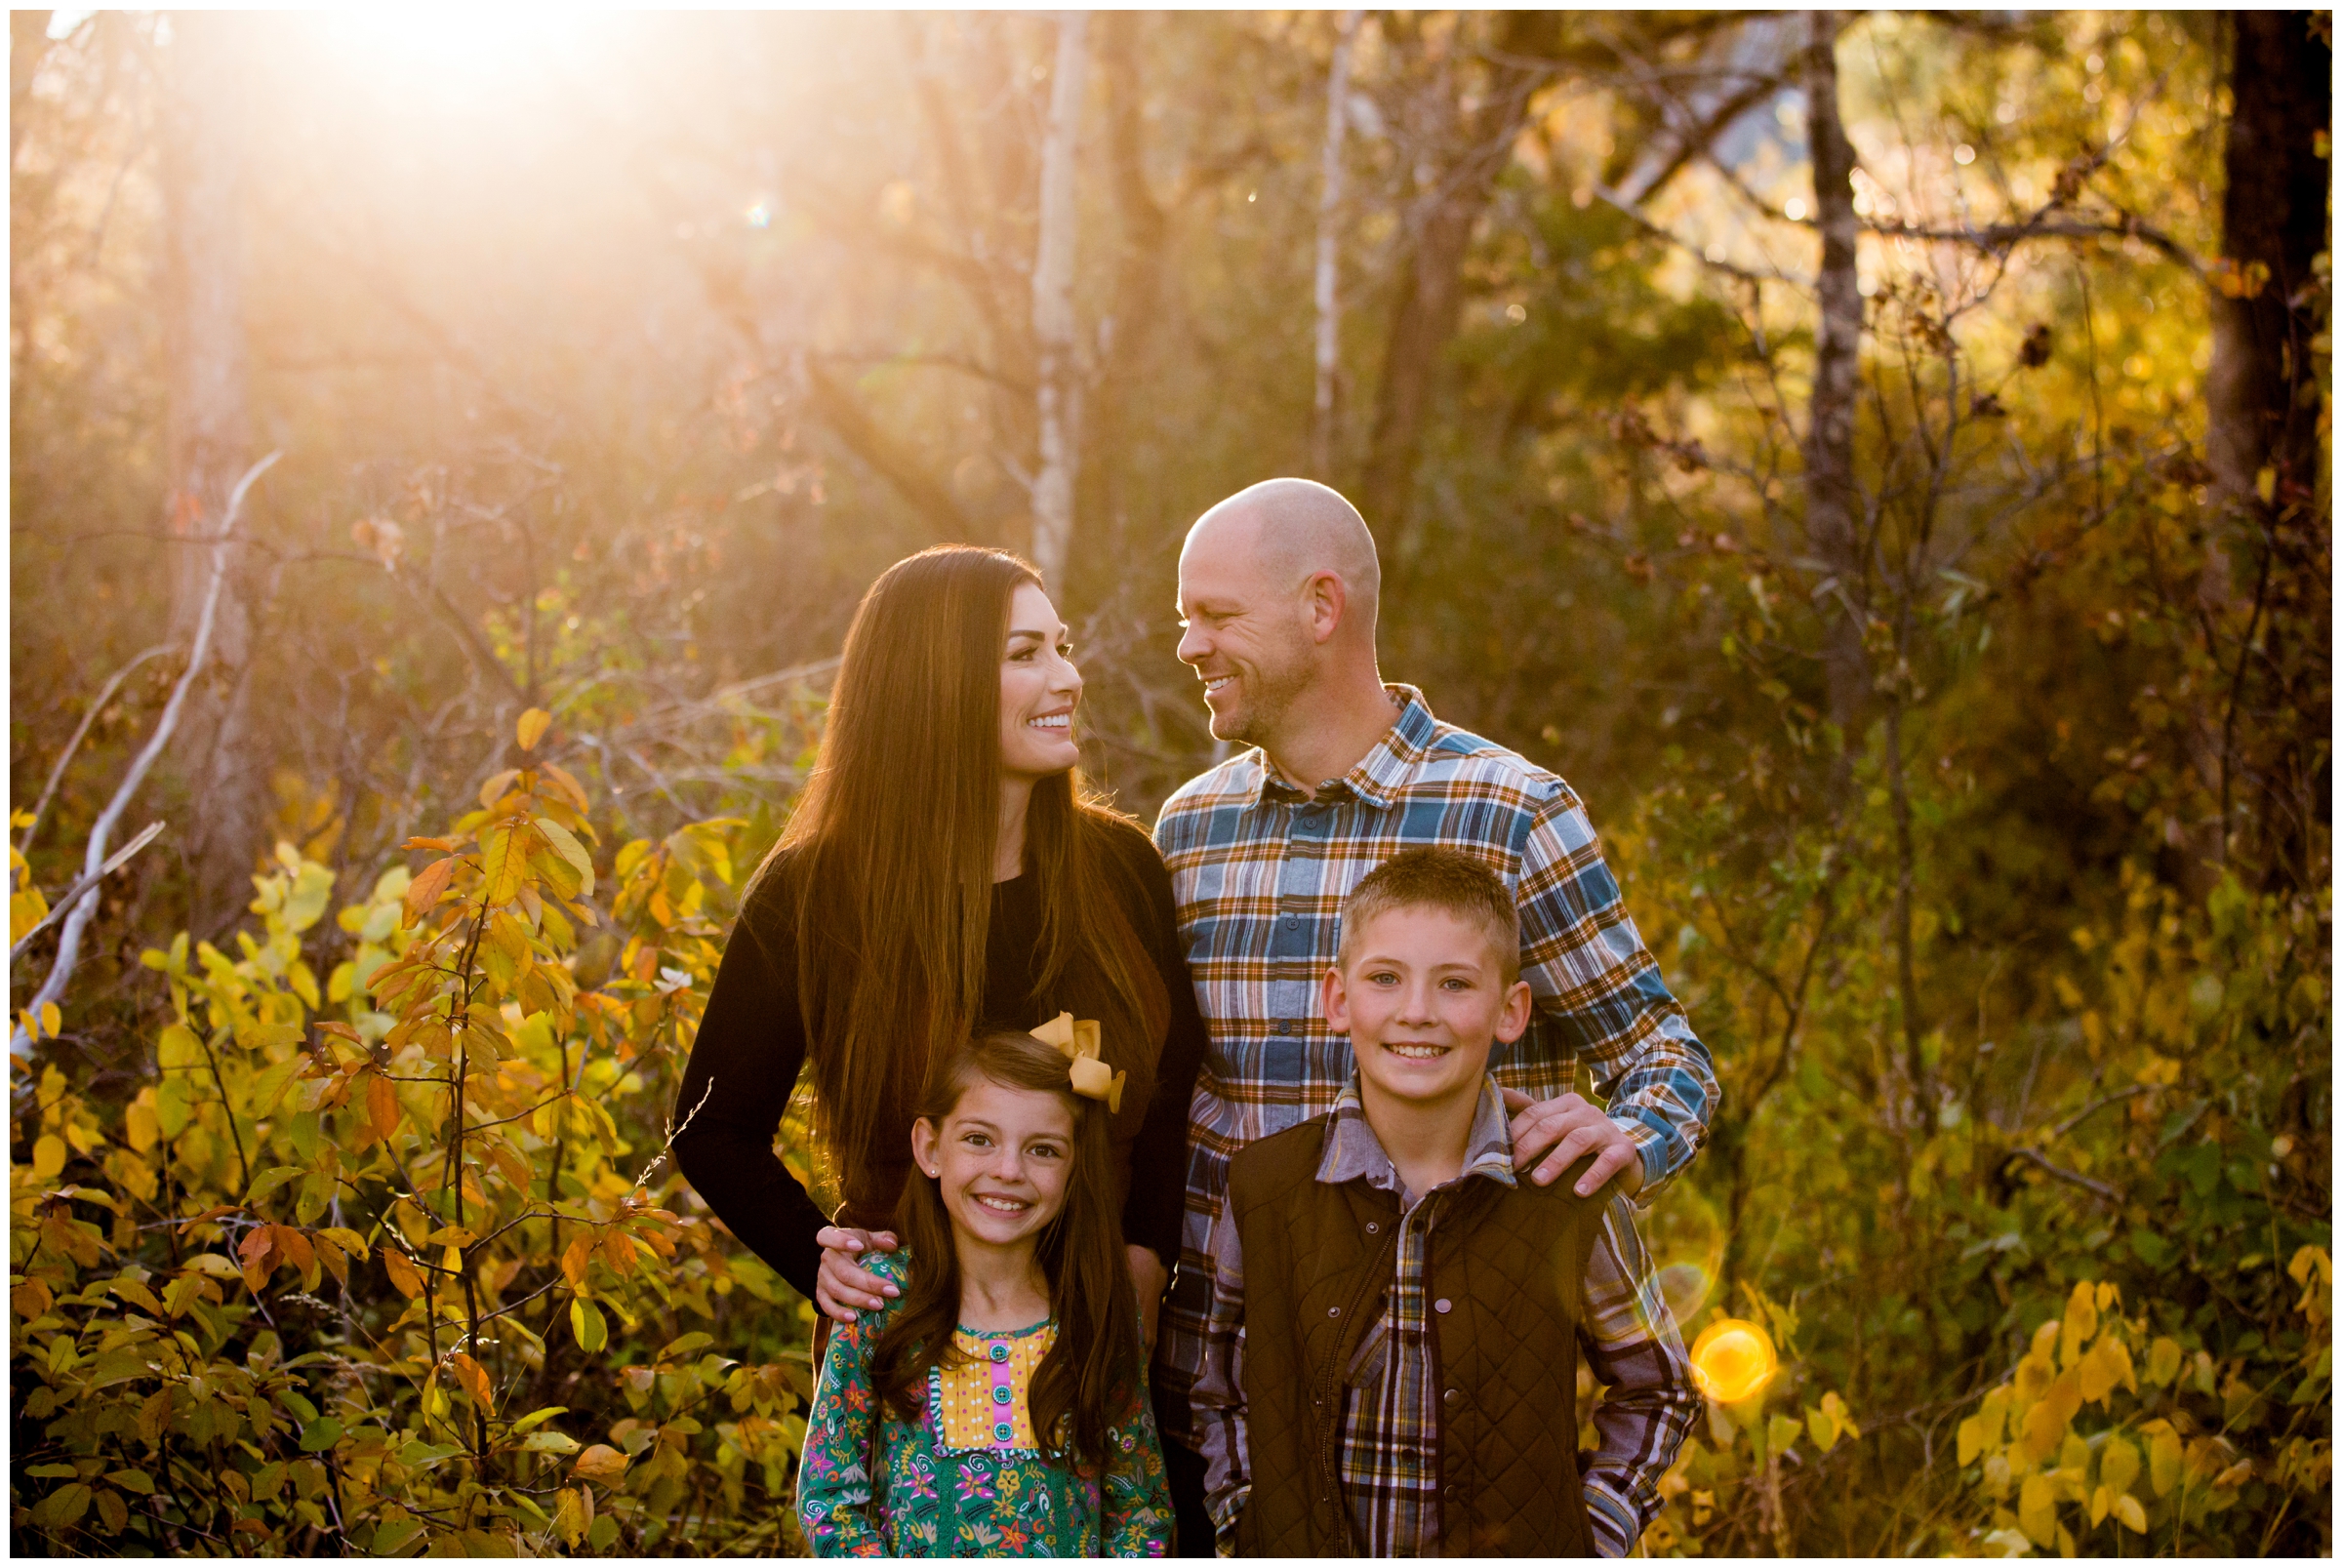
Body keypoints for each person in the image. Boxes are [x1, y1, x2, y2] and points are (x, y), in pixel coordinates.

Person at [1151, 478, 1717, 1495]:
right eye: (1184, 618)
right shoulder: (1191, 830)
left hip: (1455, 1440)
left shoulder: (1510, 813)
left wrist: (1628, 1136)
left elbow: (1666, 1055)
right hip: (1226, 1424)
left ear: (1321, 608)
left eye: (1217, 615)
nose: (1189, 644)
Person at [672, 544, 1214, 1547]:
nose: (1067, 676)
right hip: (916, 1373)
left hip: (1106, 1354)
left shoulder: (1118, 869)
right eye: (1024, 653)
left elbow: (1170, 1089)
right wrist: (826, 1263)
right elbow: (712, 1128)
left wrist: (1144, 1254)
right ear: (937, 682)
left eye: (1062, 645)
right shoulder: (818, 895)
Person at [1190, 849, 1697, 1555]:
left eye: (1455, 983)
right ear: (1339, 999)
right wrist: (1244, 1522)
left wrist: (1593, 1534)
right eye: (1386, 978)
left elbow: (1659, 1388)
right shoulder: (1264, 1187)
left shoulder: (1568, 1191)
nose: (1418, 1012)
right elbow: (1221, 1391)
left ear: (1510, 1010)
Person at [797, 1027, 1175, 1556]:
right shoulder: (880, 1301)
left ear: (1074, 1170)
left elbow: (1139, 1509)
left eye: (1043, 1150)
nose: (1008, 1170)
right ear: (930, 1147)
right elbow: (828, 1496)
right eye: (980, 1139)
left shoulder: (1098, 1311)